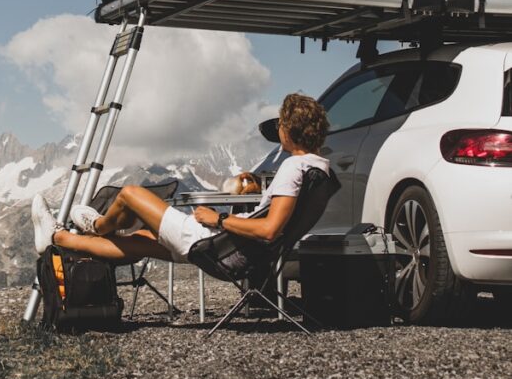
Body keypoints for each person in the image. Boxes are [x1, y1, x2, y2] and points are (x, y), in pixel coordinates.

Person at [31, 92, 329, 265]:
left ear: (289, 130)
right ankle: (56, 238)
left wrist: (218, 220)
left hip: (213, 242)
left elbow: (268, 230)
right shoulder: (319, 168)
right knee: (141, 241)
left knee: (130, 194)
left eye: (281, 123)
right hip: (230, 249)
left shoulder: (294, 167)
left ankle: (95, 225)